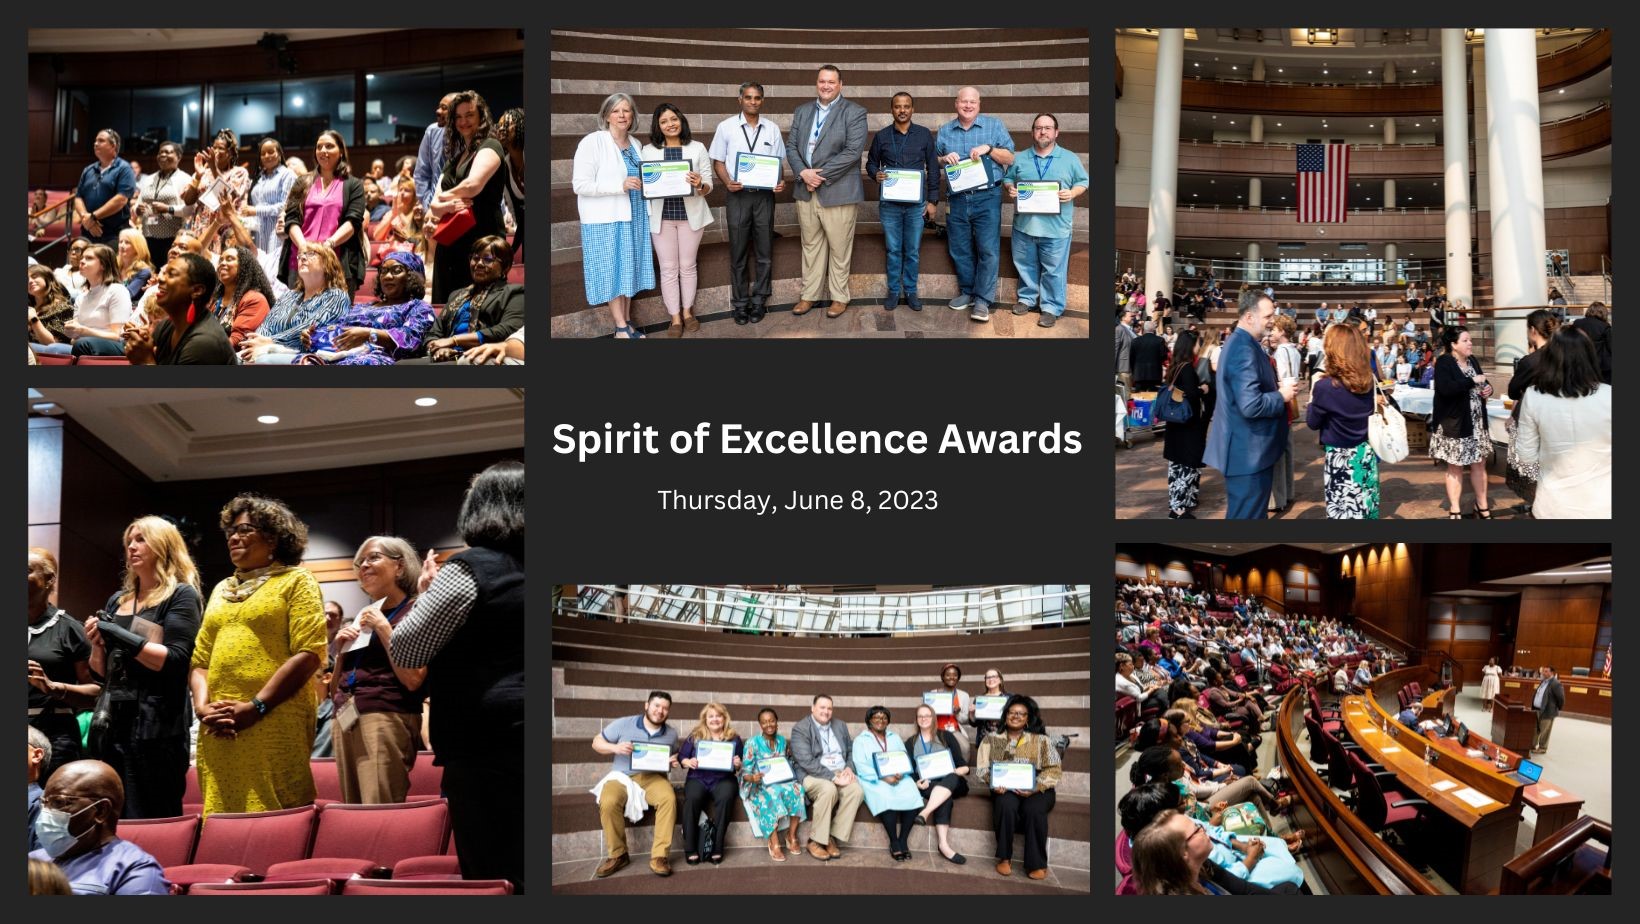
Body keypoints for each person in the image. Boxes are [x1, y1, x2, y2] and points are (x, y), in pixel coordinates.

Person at [390, 460, 524, 891]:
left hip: (484, 745)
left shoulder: (470, 567)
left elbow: (407, 647)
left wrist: (426, 594)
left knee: (494, 870)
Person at [190, 495, 326, 817]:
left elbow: (309, 653)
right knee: (222, 809)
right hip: (218, 722)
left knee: (275, 812)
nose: (233, 538)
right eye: (230, 533)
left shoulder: (296, 581)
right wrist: (202, 707)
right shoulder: (222, 589)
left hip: (274, 716)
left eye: (245, 530)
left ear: (274, 537)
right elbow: (200, 660)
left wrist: (257, 706)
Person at [80, 517, 202, 818]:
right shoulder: (117, 601)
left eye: (141, 539)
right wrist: (97, 642)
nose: (132, 547)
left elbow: (175, 659)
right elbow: (100, 671)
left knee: (152, 812)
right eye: (129, 541)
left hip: (156, 724)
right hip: (114, 722)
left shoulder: (180, 595)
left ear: (164, 546)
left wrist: (117, 633)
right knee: (114, 813)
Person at [329, 537, 425, 804]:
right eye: (360, 562)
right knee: (353, 813)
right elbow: (333, 689)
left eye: (373, 557)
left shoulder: (416, 611)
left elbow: (414, 679)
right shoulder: (364, 615)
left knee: (379, 809)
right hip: (345, 716)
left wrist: (384, 629)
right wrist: (339, 652)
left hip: (385, 714)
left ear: (400, 567)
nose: (364, 566)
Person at [1204, 290, 1297, 518]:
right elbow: (1251, 405)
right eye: (1267, 316)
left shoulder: (1242, 343)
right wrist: (1281, 395)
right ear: (1248, 317)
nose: (1271, 321)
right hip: (1247, 454)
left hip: (1248, 451)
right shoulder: (1242, 348)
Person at [787, 65, 869, 320]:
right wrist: (803, 173)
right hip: (806, 190)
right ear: (816, 83)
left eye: (831, 82)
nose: (826, 86)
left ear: (840, 84)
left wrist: (817, 176)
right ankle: (809, 295)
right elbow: (791, 147)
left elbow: (852, 152)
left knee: (839, 247)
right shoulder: (802, 111)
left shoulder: (854, 112)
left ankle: (839, 297)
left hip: (838, 191)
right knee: (810, 245)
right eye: (822, 81)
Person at [573, 93, 654, 338]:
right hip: (606, 218)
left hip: (636, 215)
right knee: (612, 269)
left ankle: (627, 321)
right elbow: (580, 185)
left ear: (632, 116)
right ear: (606, 115)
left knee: (629, 269)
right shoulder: (593, 142)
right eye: (616, 111)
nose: (622, 115)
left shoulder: (637, 144)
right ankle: (620, 326)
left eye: (627, 111)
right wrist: (620, 185)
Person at [709, 82, 787, 325]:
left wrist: (780, 181)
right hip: (738, 196)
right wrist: (727, 181)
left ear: (762, 101)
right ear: (740, 99)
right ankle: (740, 304)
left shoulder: (772, 129)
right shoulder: (726, 127)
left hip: (764, 196)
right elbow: (718, 162)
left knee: (764, 251)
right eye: (749, 97)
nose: (753, 102)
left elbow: (778, 163)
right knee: (739, 252)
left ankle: (759, 301)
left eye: (758, 98)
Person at [29, 760, 169, 894]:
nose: (45, 812)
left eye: (58, 802)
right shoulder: (34, 860)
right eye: (44, 803)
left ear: (101, 811)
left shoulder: (134, 869)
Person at [935, 86, 1016, 321]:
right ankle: (968, 291)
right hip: (957, 197)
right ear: (956, 103)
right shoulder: (945, 131)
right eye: (964, 102)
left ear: (979, 105)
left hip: (987, 197)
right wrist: (943, 159)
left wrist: (989, 150)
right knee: (959, 247)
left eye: (973, 102)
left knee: (987, 249)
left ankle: (982, 299)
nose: (968, 106)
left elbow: (1010, 158)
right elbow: (937, 160)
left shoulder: (994, 126)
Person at [1003, 113, 1088, 328]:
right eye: (1039, 128)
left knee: (1053, 270)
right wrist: (1010, 188)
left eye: (1048, 128)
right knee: (1025, 265)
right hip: (1025, 226)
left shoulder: (1069, 159)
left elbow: (1083, 181)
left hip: (1056, 229)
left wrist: (1073, 193)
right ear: (1033, 132)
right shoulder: (1020, 158)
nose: (1043, 131)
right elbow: (1008, 177)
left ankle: (1051, 307)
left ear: (1056, 132)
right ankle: (1027, 299)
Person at [1515, 327, 1611, 518]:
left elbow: (1526, 456)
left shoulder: (1534, 396)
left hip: (1552, 505)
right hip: (1603, 505)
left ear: (1549, 358)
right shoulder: (1610, 395)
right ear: (1590, 357)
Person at [588, 691, 680, 879]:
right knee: (608, 800)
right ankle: (618, 854)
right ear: (646, 705)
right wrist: (615, 748)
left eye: (665, 708)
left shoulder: (671, 733)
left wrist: (673, 759)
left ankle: (660, 856)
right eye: (656, 706)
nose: (660, 711)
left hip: (653, 778)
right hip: (622, 777)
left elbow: (675, 754)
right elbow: (596, 742)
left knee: (668, 798)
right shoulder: (624, 723)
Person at [641, 103, 714, 336]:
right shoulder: (648, 151)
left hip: (690, 216)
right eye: (664, 121)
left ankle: (688, 313)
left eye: (673, 119)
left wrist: (699, 184)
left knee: (688, 266)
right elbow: (645, 183)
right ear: (658, 126)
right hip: (662, 218)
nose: (670, 124)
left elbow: (708, 187)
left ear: (681, 120)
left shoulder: (698, 147)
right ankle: (674, 319)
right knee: (669, 268)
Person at [28, 549, 100, 783]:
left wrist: (52, 687)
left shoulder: (69, 629)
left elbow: (96, 694)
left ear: (50, 580)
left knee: (50, 811)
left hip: (53, 736)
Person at [429, 90, 507, 305]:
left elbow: (472, 186)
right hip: (450, 244)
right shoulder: (454, 159)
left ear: (481, 116)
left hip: (480, 242)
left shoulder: (491, 146)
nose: (463, 121)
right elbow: (434, 206)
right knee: (446, 308)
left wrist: (443, 201)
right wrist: (446, 204)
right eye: (458, 117)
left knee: (477, 311)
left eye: (469, 115)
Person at [866, 92, 941, 311]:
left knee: (912, 250)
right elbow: (871, 163)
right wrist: (875, 174)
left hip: (916, 204)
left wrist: (933, 201)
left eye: (906, 106)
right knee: (893, 249)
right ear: (891, 109)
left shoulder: (924, 135)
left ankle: (910, 291)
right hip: (890, 205)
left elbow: (933, 169)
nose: (902, 110)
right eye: (898, 106)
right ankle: (892, 291)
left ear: (913, 109)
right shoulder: (881, 136)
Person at [296, 250, 436, 365]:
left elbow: (411, 337)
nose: (387, 276)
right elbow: (339, 328)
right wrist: (313, 336)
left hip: (375, 357)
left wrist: (369, 335)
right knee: (302, 362)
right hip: (337, 354)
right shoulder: (362, 307)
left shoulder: (418, 307)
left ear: (411, 276)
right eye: (384, 271)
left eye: (396, 270)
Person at [974, 694, 1060, 879]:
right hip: (1005, 788)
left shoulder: (1041, 740)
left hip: (1038, 787)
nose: (1016, 716)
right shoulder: (991, 739)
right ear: (1005, 716)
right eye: (1012, 712)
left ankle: (1036, 863)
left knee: (1034, 811)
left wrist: (1035, 787)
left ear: (1028, 718)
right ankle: (1004, 858)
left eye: (1021, 714)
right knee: (1005, 805)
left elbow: (1053, 769)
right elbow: (982, 769)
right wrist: (994, 783)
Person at [278, 129, 367, 296]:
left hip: (337, 260)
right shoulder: (302, 182)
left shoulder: (353, 185)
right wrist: (304, 247)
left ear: (341, 152)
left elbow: (353, 221)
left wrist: (329, 245)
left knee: (334, 318)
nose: (323, 151)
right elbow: (292, 220)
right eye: (319, 147)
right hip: (301, 259)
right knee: (299, 317)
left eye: (329, 146)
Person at [1307, 324, 1381, 519]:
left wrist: (1313, 396)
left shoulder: (1325, 387)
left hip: (1340, 459)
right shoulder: (1368, 381)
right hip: (1365, 454)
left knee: (1342, 512)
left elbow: (1312, 422)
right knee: (1366, 507)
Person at [417, 235, 524, 362]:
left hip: (480, 356)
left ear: (505, 267)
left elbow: (506, 329)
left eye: (488, 259)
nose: (479, 263)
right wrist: (438, 348)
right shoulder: (457, 295)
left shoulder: (514, 293)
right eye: (475, 258)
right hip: (444, 356)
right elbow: (434, 333)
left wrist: (453, 340)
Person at [239, 242, 351, 363]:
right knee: (233, 359)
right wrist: (255, 341)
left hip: (310, 357)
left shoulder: (337, 296)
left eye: (311, 254)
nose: (302, 257)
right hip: (270, 349)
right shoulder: (289, 296)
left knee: (263, 361)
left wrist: (271, 341)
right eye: (300, 255)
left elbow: (311, 330)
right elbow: (267, 325)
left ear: (328, 263)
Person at [122, 253, 236, 365]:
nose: (160, 278)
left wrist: (145, 360)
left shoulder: (204, 343)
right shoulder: (165, 326)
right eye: (164, 273)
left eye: (171, 275)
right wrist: (142, 343)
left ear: (197, 290)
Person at [789, 693, 865, 861]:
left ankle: (830, 837)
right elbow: (806, 761)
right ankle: (814, 841)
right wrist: (833, 777)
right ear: (813, 708)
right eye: (822, 707)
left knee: (856, 791)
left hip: (839, 770)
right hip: (812, 774)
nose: (826, 711)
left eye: (829, 708)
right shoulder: (800, 728)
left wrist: (849, 768)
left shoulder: (840, 725)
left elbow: (851, 750)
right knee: (829, 789)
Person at [1431, 326, 1495, 518]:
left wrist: (1488, 389)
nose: (1470, 343)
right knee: (1455, 466)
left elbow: (1483, 382)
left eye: (1470, 340)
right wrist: (1472, 381)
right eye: (1465, 340)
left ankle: (1482, 505)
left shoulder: (1472, 360)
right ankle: (1455, 508)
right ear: (1453, 344)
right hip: (1455, 424)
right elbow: (1446, 389)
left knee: (1479, 464)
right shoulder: (1444, 362)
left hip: (1476, 423)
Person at [850, 705, 923, 862]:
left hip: (897, 776)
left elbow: (904, 758)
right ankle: (894, 841)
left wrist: (901, 771)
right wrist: (884, 777)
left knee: (912, 792)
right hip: (874, 779)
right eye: (876, 717)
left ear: (888, 721)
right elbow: (860, 765)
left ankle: (903, 840)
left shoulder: (894, 737)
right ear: (869, 721)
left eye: (884, 718)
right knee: (886, 796)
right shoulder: (860, 740)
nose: (880, 721)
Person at [30, 244, 129, 357]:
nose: (82, 261)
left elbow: (118, 336)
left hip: (113, 345)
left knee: (76, 344)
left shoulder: (117, 290)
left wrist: (83, 331)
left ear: (103, 265)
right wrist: (71, 332)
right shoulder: (81, 297)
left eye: (89, 258)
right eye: (82, 257)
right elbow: (74, 338)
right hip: (82, 345)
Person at [676, 702, 744, 865]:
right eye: (711, 716)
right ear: (705, 719)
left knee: (727, 797)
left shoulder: (734, 738)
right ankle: (690, 847)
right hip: (698, 777)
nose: (715, 719)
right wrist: (687, 761)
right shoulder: (696, 735)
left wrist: (737, 764)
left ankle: (718, 846)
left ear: (724, 718)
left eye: (718, 716)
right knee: (692, 798)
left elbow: (739, 763)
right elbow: (681, 756)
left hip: (723, 779)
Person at [1505, 310, 1559, 513]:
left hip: (1533, 417)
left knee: (1531, 463)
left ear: (1533, 330)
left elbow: (1512, 391)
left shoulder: (1531, 361)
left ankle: (1537, 504)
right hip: (1559, 417)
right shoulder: (1562, 355)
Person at [737, 707, 806, 861]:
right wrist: (752, 778)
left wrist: (791, 775)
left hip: (780, 780)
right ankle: (774, 841)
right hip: (759, 783)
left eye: (772, 721)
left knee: (798, 789)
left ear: (777, 722)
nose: (769, 725)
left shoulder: (782, 741)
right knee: (771, 794)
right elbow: (744, 771)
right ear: (760, 725)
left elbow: (789, 762)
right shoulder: (752, 743)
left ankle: (791, 835)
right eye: (765, 722)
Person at [907, 702, 969, 864]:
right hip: (928, 785)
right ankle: (943, 845)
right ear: (916, 720)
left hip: (954, 780)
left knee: (951, 778)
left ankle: (925, 813)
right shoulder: (911, 742)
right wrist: (916, 783)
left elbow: (964, 767)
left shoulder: (945, 736)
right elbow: (910, 772)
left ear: (933, 718)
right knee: (944, 797)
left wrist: (951, 772)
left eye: (927, 716)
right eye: (920, 716)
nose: (923, 719)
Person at [1163, 330, 1209, 518]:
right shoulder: (1188, 368)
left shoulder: (1175, 366)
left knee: (1176, 464)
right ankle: (1178, 508)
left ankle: (1178, 502)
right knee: (1187, 464)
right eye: (1198, 343)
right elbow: (1190, 394)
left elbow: (1179, 392)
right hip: (1187, 424)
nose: (1199, 347)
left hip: (1175, 423)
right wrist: (1203, 389)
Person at [204, 245, 274, 349]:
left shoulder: (254, 299)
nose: (222, 263)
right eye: (221, 260)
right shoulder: (215, 299)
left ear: (244, 266)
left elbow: (238, 341)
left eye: (229, 259)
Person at [73, 129, 135, 245]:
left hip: (113, 234)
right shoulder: (88, 170)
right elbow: (78, 197)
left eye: (101, 141)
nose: (95, 144)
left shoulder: (124, 168)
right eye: (95, 141)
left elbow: (121, 200)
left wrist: (93, 217)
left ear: (113, 146)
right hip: (88, 231)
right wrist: (86, 219)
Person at [1268, 314, 1304, 514]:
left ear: (1282, 331)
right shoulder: (1295, 351)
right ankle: (1289, 492)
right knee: (1288, 448)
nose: (1271, 332)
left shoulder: (1280, 352)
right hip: (1292, 400)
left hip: (1282, 399)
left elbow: (1282, 379)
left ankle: (1279, 497)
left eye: (1274, 329)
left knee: (1280, 451)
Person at [133, 141, 191, 260]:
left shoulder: (185, 179)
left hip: (172, 239)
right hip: (147, 236)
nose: (163, 155)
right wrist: (138, 209)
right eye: (161, 152)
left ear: (178, 157)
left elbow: (190, 210)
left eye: (168, 152)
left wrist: (168, 209)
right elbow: (137, 205)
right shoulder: (149, 179)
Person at [241, 137, 296, 258]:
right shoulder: (259, 178)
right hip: (257, 232)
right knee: (259, 269)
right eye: (263, 153)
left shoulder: (287, 175)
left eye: (271, 152)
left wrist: (256, 210)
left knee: (273, 270)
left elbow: (285, 206)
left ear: (279, 154)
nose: (267, 156)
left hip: (277, 232)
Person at [416, 93, 458, 208]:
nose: (438, 111)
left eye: (444, 108)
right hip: (434, 204)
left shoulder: (467, 136)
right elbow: (421, 172)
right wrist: (426, 203)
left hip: (459, 204)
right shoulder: (431, 131)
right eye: (439, 107)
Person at [495, 107, 525, 261]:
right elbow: (513, 207)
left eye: (507, 125)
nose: (501, 129)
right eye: (499, 125)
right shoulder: (504, 165)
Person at [27, 265, 76, 348]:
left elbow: (53, 345)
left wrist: (34, 320)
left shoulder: (63, 308)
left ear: (47, 278)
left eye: (34, 277)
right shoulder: (30, 307)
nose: (30, 281)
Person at [966, 667, 1009, 750]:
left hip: (1004, 741)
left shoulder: (1009, 698)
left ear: (1000, 680)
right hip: (984, 741)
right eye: (988, 677)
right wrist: (971, 713)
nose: (991, 679)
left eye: (994, 676)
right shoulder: (979, 699)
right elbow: (974, 724)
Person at [1571, 302, 1612, 384]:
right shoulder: (1605, 326)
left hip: (1579, 363)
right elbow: (1611, 347)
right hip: (1601, 366)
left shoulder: (1577, 323)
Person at [1530, 666, 1565, 754]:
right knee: (1536, 729)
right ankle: (1532, 745)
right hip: (1537, 709)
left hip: (1548, 711)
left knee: (1544, 730)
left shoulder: (1556, 683)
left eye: (1545, 671)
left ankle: (1542, 748)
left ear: (1551, 673)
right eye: (1543, 671)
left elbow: (1561, 698)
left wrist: (1555, 709)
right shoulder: (1543, 681)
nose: (1543, 673)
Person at [1130, 321, 1168, 391]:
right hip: (1154, 374)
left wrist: (1134, 371)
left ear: (1143, 329)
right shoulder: (1160, 340)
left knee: (1140, 398)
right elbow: (1164, 356)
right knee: (1153, 398)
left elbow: (1131, 358)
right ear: (1154, 329)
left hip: (1139, 374)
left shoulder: (1135, 341)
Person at [1115, 305, 1138, 388]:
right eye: (1131, 316)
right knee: (1125, 395)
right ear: (1123, 318)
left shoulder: (1130, 330)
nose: (1133, 317)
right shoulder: (1119, 329)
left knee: (1128, 394)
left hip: (1130, 367)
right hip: (1122, 368)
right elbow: (1115, 349)